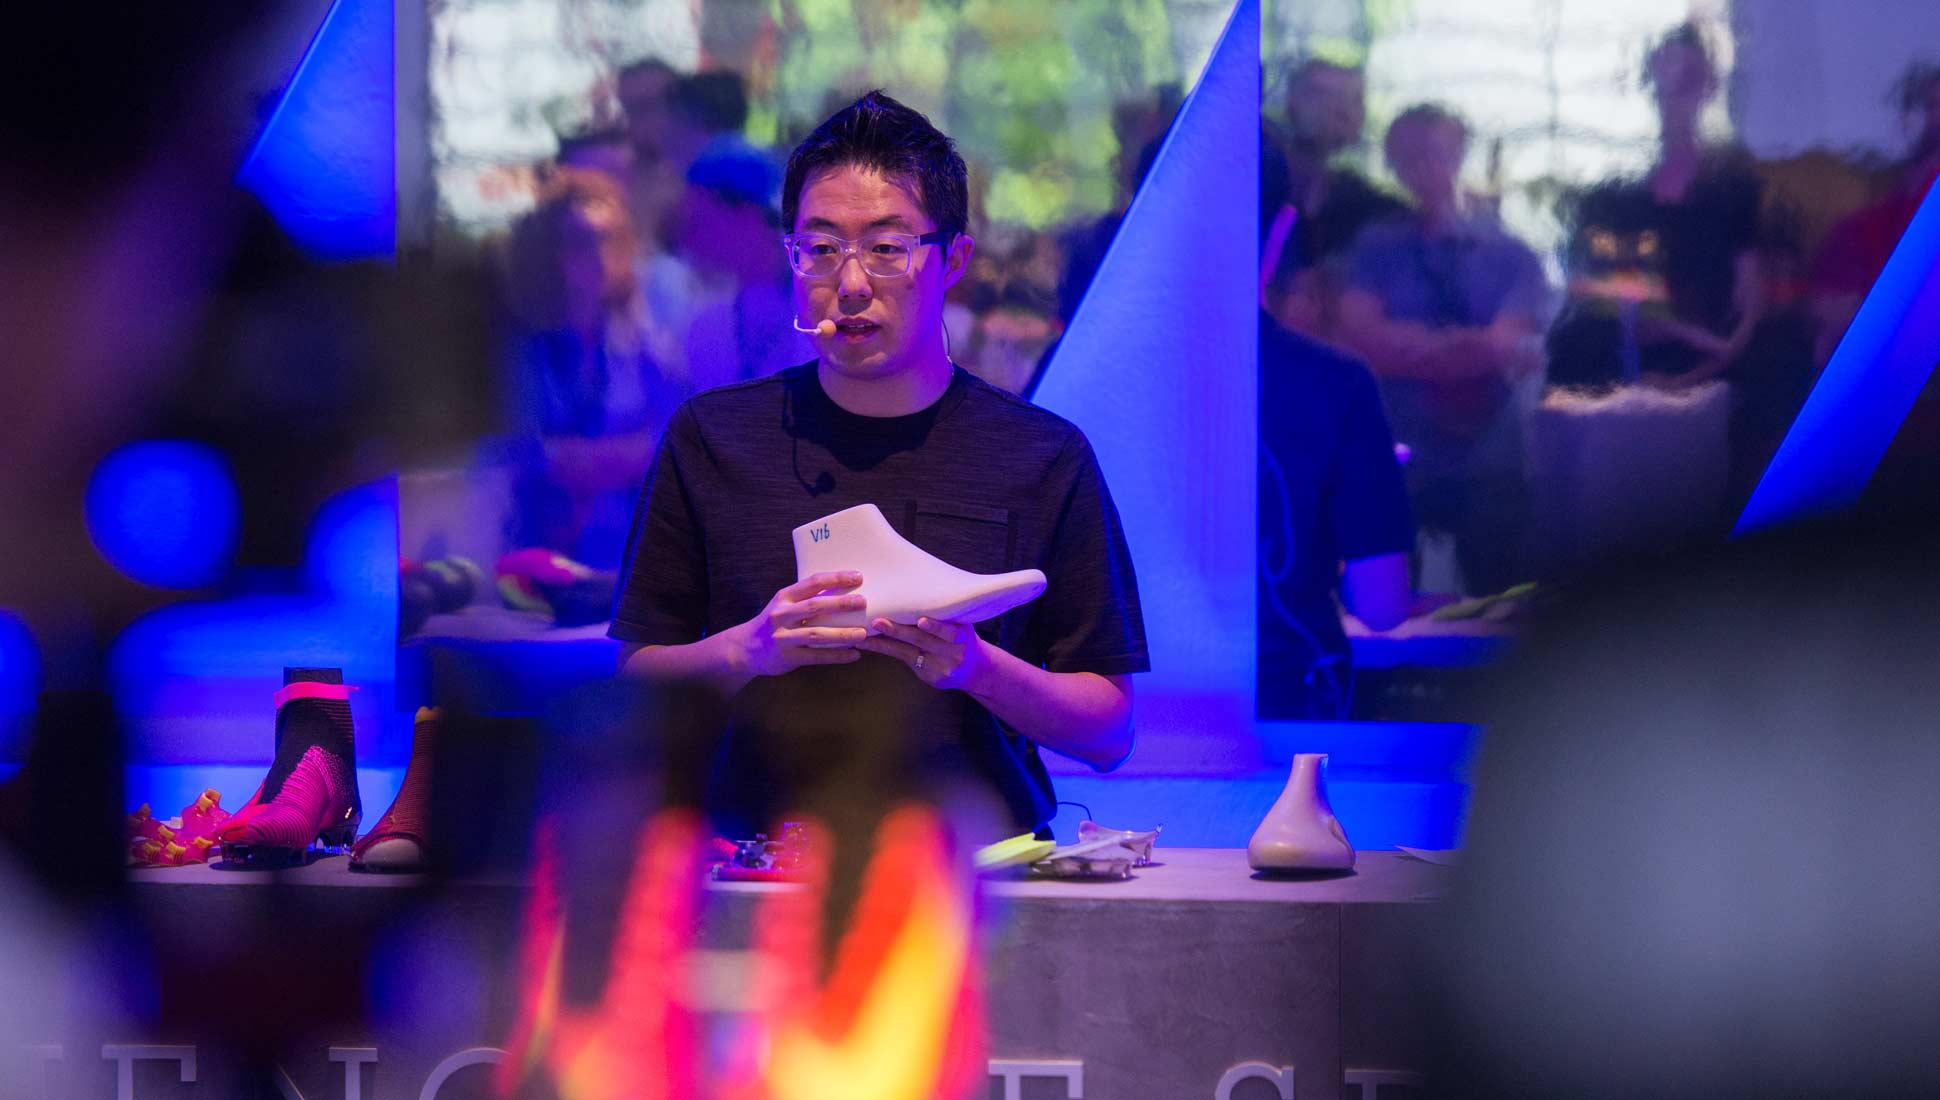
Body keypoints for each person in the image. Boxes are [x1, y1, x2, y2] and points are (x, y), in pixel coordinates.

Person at [610, 91, 1147, 840]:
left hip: (976, 868)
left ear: (952, 259)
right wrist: (751, 647)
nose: (851, 282)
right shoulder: (712, 437)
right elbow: (635, 686)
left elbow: (1109, 733)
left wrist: (976, 667)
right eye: (821, 248)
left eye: (887, 248)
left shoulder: (1042, 454)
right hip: (757, 863)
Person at [1335, 104, 1549, 596]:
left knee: (1502, 609)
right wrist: (1469, 345)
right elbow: (1363, 342)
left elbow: (1504, 347)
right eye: (1408, 157)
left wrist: (1409, 342)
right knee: (1384, 607)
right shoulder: (1374, 248)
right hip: (1397, 459)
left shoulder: (1512, 253)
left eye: (1433, 153)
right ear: (1392, 164)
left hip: (1492, 461)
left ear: (1458, 155)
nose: (1424, 167)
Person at [1258, 138, 1414, 720]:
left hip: (1100, 736)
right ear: (1282, 229)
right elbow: (1382, 603)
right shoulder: (1333, 384)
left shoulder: (1077, 375)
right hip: (1291, 719)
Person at [1271, 58, 1408, 340]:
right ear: (1290, 102)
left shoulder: (1377, 209)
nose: (1337, 109)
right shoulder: (1255, 190)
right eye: (1320, 94)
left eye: (1353, 99)